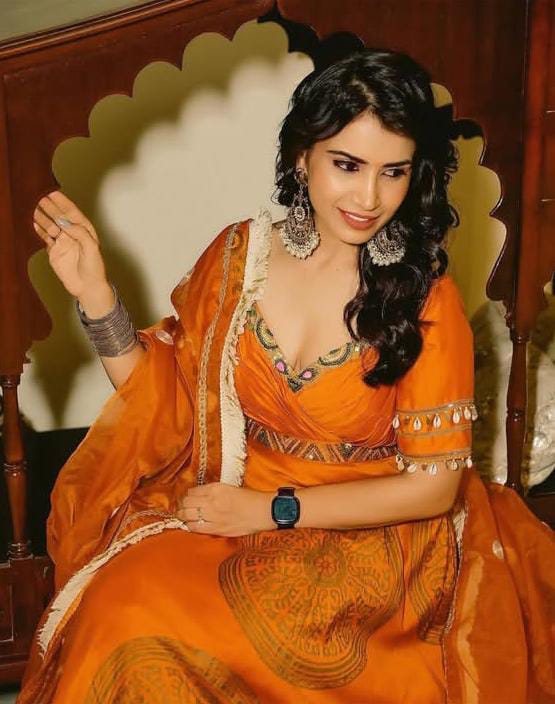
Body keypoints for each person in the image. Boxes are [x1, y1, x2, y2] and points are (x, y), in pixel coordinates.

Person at [18, 48, 554, 704]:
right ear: (302, 156)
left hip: (373, 538)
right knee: (121, 605)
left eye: (392, 172)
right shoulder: (239, 258)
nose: (369, 198)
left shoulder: (423, 298)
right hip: (235, 504)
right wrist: (96, 296)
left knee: (180, 628)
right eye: (347, 165)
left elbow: (433, 488)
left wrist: (274, 510)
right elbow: (165, 403)